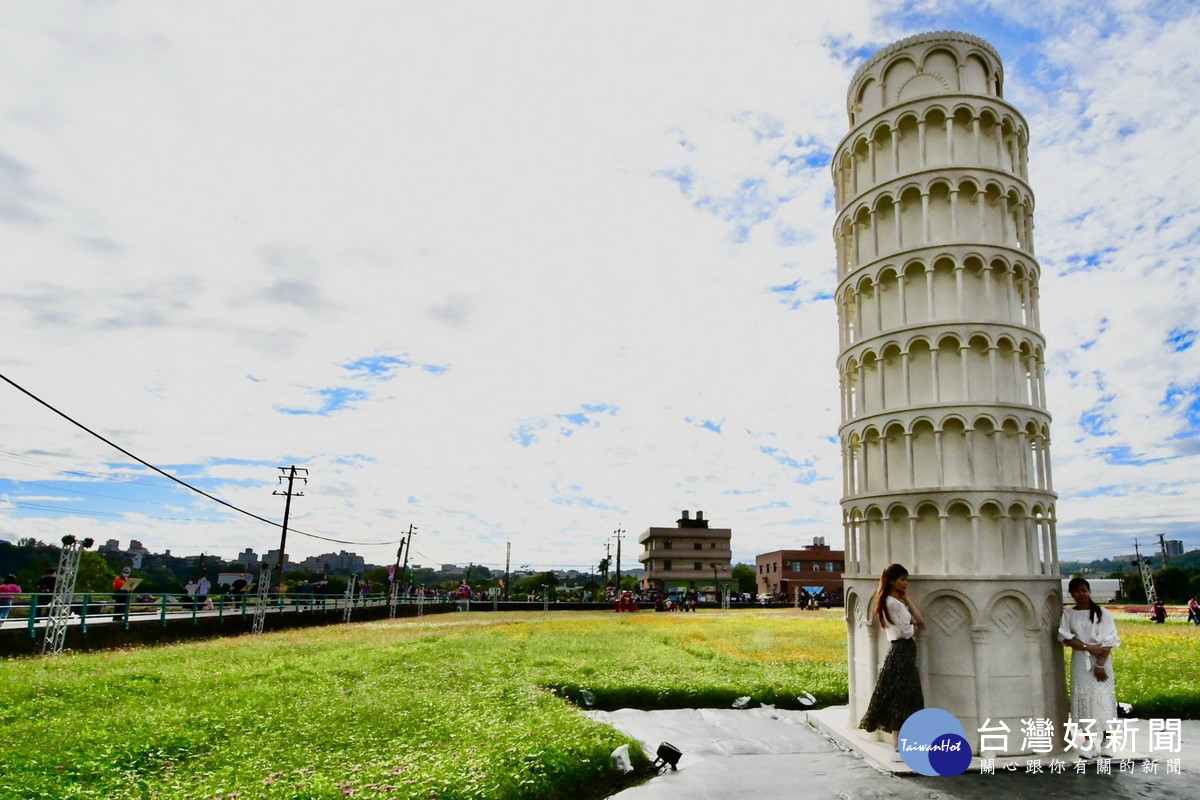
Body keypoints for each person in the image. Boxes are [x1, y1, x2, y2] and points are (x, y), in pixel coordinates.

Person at [859, 563, 925, 761]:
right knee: (904, 699)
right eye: (902, 580)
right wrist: (912, 625)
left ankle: (900, 746)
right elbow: (911, 628)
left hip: (901, 652)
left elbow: (918, 621)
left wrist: (907, 601)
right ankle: (898, 747)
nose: (906, 583)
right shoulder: (892, 603)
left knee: (904, 698)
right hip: (902, 652)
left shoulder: (894, 602)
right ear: (891, 580)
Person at [1058, 577, 1121, 756]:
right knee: (1083, 697)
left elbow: (1109, 640)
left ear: (1089, 591)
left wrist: (1100, 665)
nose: (1081, 594)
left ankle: (1107, 740)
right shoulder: (1068, 614)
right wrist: (1088, 647)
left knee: (1102, 697)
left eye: (1084, 590)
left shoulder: (1103, 613)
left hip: (1101, 660)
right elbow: (1067, 637)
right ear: (1071, 594)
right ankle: (1088, 741)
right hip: (1081, 660)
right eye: (1076, 591)